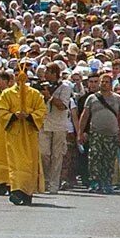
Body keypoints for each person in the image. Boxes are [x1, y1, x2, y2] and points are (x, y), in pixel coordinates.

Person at [0, 67, 47, 206]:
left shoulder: (35, 94)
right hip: (15, 132)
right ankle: (16, 190)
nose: (21, 79)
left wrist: (30, 116)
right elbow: (1, 110)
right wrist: (13, 116)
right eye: (18, 76)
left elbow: (42, 110)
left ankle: (27, 191)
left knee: (29, 163)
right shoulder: (7, 94)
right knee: (16, 162)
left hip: (29, 133)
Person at [77, 74, 120, 194]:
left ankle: (107, 182)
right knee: (94, 158)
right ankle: (95, 182)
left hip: (112, 134)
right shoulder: (92, 98)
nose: (104, 84)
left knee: (109, 159)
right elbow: (85, 116)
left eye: (107, 82)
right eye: (102, 82)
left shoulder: (118, 98)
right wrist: (80, 132)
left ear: (111, 84)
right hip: (96, 133)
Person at [38, 63, 73, 195]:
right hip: (44, 123)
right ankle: (45, 180)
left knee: (57, 156)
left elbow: (63, 106)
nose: (45, 74)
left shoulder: (65, 88)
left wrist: (49, 97)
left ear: (54, 73)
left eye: (47, 71)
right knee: (44, 153)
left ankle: (53, 184)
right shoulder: (43, 86)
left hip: (59, 125)